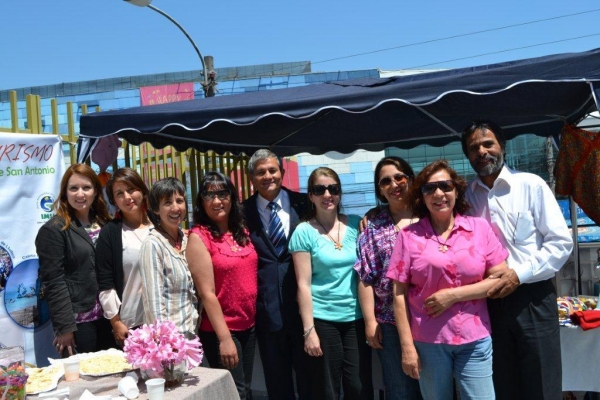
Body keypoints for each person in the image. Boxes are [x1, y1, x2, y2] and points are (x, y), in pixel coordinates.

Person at [461, 120, 573, 400]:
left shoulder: (530, 185)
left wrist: (518, 274)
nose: (482, 152)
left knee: (542, 382)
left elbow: (560, 243)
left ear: (502, 146)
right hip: (488, 303)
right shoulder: (465, 197)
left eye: (488, 144)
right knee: (503, 382)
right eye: (474, 148)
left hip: (533, 296)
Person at [386, 160, 509, 400]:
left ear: (456, 191)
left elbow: (500, 277)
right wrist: (407, 347)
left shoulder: (479, 228)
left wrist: (454, 295)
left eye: (445, 186)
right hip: (429, 340)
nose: (439, 193)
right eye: (429, 188)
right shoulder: (408, 236)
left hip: (475, 337)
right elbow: (398, 294)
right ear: (421, 197)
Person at [289, 166, 373, 400]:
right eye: (320, 189)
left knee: (359, 387)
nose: (327, 195)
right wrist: (309, 331)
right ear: (311, 196)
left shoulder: (357, 225)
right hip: (323, 320)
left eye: (333, 189)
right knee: (327, 390)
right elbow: (303, 285)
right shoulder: (303, 232)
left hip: (355, 319)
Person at [243, 149, 309, 400]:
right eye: (260, 172)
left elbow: (332, 217)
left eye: (272, 170)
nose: (267, 176)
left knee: (309, 380)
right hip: (267, 313)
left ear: (281, 172)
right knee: (277, 385)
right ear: (252, 178)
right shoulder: (241, 212)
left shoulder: (303, 204)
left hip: (305, 311)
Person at [354, 156, 422, 400]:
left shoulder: (431, 215)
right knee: (400, 390)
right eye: (385, 182)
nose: (394, 184)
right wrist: (370, 322)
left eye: (399, 177)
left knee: (436, 388)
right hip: (390, 323)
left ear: (411, 180)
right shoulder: (373, 224)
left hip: (432, 318)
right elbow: (365, 276)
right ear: (380, 190)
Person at [187, 171, 258, 400]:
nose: (217, 201)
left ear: (232, 197)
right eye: (209, 195)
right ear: (201, 202)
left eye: (222, 193)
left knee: (245, 388)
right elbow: (206, 294)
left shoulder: (242, 231)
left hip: (248, 324)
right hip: (222, 330)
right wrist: (225, 339)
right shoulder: (199, 237)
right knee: (234, 393)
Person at [35, 163, 114, 356]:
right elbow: (53, 281)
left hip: (111, 317)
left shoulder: (104, 222)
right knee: (85, 382)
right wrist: (64, 327)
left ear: (95, 191)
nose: (80, 194)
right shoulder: (54, 229)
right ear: (65, 193)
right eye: (73, 188)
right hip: (80, 324)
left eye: (86, 188)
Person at [96, 168, 153, 347]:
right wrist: (116, 322)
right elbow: (105, 283)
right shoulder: (110, 233)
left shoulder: (161, 225)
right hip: (132, 325)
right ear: (114, 201)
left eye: (131, 189)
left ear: (142, 191)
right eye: (120, 194)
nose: (127, 197)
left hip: (164, 321)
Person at [139, 177, 198, 336]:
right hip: (170, 341)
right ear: (156, 209)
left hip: (191, 334)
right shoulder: (153, 244)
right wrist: (166, 341)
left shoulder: (186, 239)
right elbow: (154, 303)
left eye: (179, 201)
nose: (175, 208)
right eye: (167, 203)